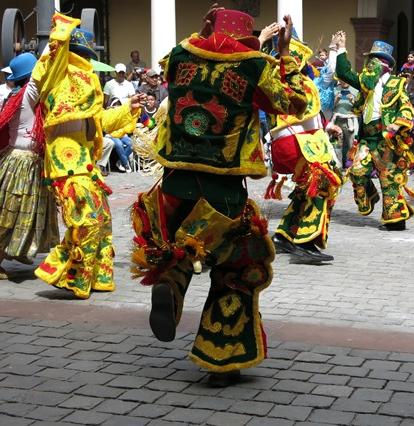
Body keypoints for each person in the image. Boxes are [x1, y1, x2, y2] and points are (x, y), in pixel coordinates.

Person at [130, 5, 307, 379]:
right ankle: (221, 356)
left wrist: (206, 31)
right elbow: (293, 103)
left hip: (175, 182)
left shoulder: (179, 55)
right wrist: (285, 53)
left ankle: (173, 281)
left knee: (180, 244)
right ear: (248, 37)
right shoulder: (255, 64)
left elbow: (184, 58)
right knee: (238, 266)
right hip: (222, 188)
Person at [32, 13, 143, 299]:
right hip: (66, 165)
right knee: (85, 221)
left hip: (86, 164)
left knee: (103, 221)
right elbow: (53, 54)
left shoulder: (88, 86)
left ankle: (96, 277)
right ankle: (71, 276)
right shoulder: (56, 78)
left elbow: (100, 122)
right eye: (81, 55)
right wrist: (63, 28)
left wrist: (129, 106)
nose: (85, 64)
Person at [266, 32, 343, 263]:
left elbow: (310, 112)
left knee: (306, 187)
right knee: (323, 182)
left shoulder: (299, 82)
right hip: (295, 142)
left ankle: (285, 235)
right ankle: (306, 240)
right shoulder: (290, 81)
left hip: (301, 140)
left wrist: (327, 126)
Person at [334, 35, 414, 230]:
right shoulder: (365, 82)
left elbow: (406, 108)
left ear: (384, 64)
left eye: (374, 60)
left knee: (389, 178)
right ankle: (370, 195)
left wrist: (397, 124)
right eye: (370, 60)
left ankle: (395, 220)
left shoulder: (397, 83)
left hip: (386, 139)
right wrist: (341, 48)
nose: (369, 64)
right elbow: (344, 73)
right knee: (356, 171)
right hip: (367, 138)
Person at [0, 53, 59, 279]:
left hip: (15, 159)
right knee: (13, 212)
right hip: (25, 163)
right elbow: (38, 78)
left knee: (20, 211)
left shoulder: (14, 95)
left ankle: (20, 249)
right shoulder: (28, 95)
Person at [329, 79, 359, 168]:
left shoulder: (355, 90)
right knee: (337, 145)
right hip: (337, 121)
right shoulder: (334, 89)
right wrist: (336, 100)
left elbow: (360, 108)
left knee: (351, 144)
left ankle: (351, 167)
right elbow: (329, 107)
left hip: (350, 122)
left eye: (345, 78)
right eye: (341, 79)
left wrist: (353, 101)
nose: (344, 81)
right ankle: (338, 167)